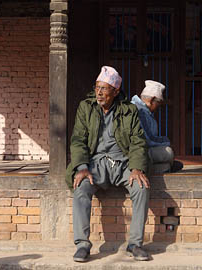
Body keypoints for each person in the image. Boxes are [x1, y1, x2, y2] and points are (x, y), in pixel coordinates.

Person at [66, 66, 150, 262]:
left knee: (141, 187)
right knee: (80, 186)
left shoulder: (129, 110)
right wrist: (82, 167)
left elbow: (138, 140)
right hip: (95, 163)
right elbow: (78, 139)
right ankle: (82, 244)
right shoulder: (86, 107)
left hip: (122, 163)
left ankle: (135, 244)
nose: (99, 93)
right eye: (97, 88)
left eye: (104, 89)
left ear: (115, 91)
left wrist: (137, 168)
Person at [130, 80, 182, 174]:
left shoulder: (144, 110)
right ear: (152, 100)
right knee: (168, 152)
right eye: (159, 103)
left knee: (166, 165)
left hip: (144, 150)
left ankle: (164, 169)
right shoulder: (139, 110)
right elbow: (148, 139)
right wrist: (167, 143)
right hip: (137, 152)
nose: (159, 106)